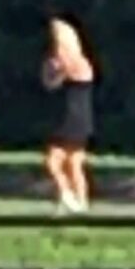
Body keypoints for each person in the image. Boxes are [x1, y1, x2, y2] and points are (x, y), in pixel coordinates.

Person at [42, 18, 97, 213]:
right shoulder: (54, 62)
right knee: (65, 163)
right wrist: (55, 71)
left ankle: (74, 199)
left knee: (65, 163)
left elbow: (78, 76)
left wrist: (61, 70)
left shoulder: (81, 64)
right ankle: (74, 200)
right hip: (64, 118)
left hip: (77, 118)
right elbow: (49, 84)